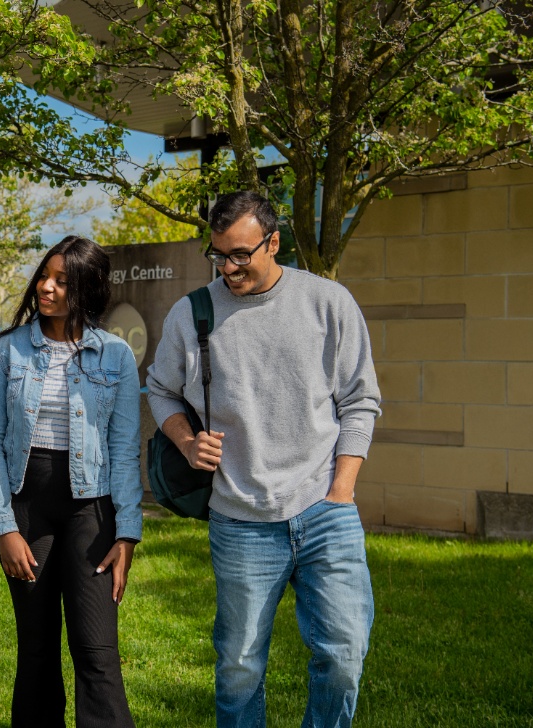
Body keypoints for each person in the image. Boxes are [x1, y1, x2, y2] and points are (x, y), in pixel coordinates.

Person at [147, 191, 382, 728]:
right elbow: (160, 389)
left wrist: (342, 488)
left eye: (240, 254)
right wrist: (186, 441)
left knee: (344, 656)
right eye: (218, 255)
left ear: (273, 243)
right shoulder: (193, 313)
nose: (228, 268)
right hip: (240, 519)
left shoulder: (328, 302)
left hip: (325, 509)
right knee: (238, 668)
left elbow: (360, 399)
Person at [0, 235, 142, 728]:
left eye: (62, 281)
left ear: (88, 289)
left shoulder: (115, 356)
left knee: (96, 649)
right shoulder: (6, 352)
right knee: (36, 648)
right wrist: (3, 528)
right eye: (45, 276)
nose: (46, 288)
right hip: (27, 507)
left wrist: (127, 533)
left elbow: (124, 449)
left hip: (91, 510)